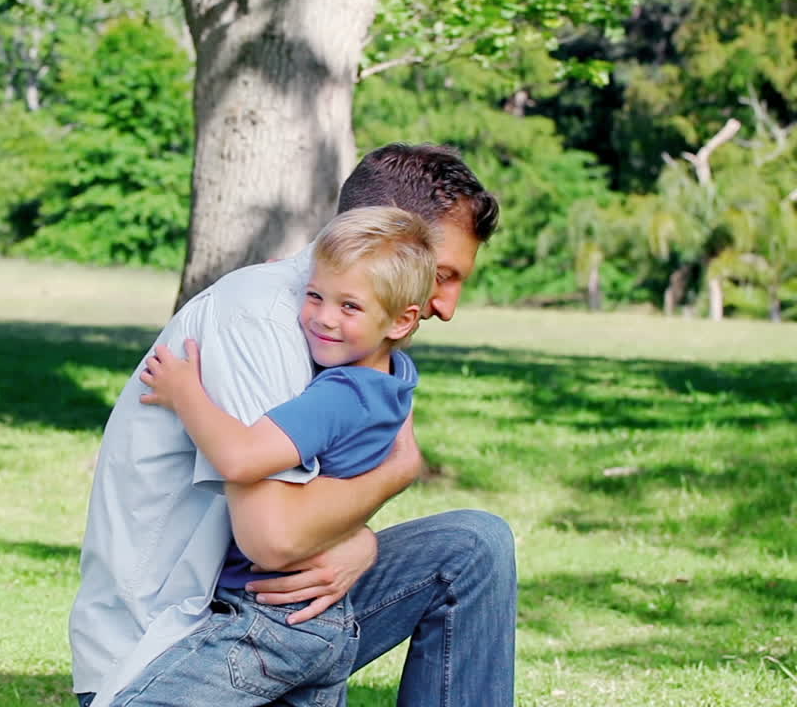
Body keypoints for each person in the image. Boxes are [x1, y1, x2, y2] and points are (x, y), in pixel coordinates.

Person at [70, 143, 515, 707]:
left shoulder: (355, 334)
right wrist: (400, 469)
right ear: (390, 241)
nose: (446, 306)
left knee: (474, 546)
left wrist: (364, 545)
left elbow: (315, 512)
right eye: (443, 275)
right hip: (180, 644)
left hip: (279, 620)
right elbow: (274, 539)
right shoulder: (258, 317)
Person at [118, 207, 436, 706]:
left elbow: (242, 459)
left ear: (402, 320)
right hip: (323, 620)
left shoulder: (341, 395)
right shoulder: (394, 379)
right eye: (314, 296)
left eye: (349, 307)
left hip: (269, 619)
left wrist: (185, 392)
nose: (324, 318)